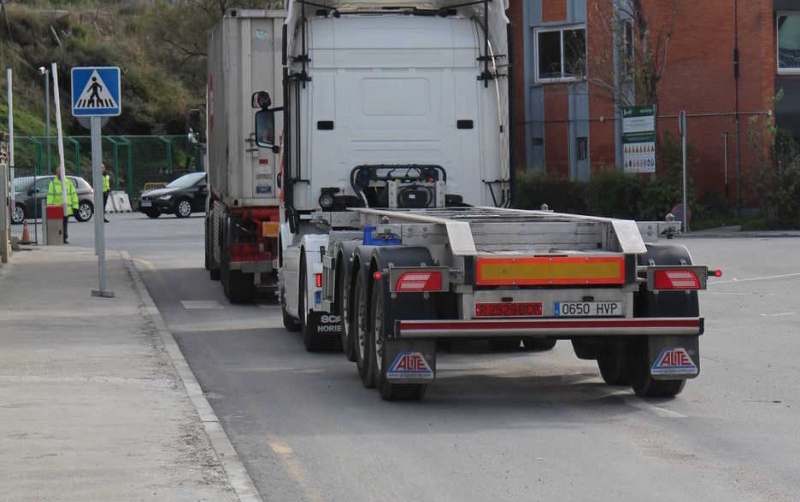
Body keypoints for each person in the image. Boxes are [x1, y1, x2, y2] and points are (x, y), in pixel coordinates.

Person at [46, 167, 79, 244]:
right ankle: (59, 237)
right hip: (57, 208)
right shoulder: (53, 183)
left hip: (66, 208)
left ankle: (64, 237)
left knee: (64, 223)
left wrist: (75, 207)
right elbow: (50, 196)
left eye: (60, 172)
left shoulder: (69, 183)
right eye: (57, 172)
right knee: (58, 224)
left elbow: (73, 195)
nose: (58, 174)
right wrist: (49, 206)